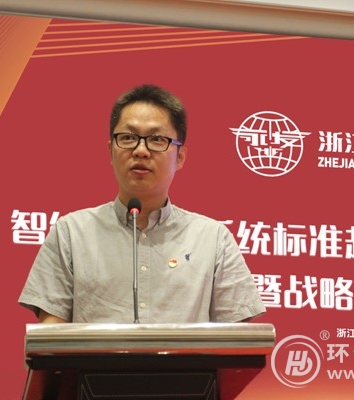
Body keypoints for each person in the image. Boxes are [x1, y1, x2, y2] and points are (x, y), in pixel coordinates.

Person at [18, 84, 265, 324]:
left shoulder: (213, 239)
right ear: (110, 151)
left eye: (157, 139)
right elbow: (51, 333)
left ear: (180, 156)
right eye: (128, 138)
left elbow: (237, 338)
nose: (141, 150)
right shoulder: (71, 233)